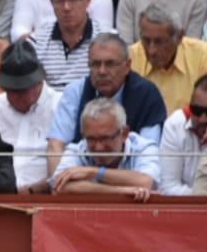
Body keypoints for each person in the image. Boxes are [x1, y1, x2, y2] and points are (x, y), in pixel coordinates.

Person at [45, 31, 166, 173]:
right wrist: (59, 181)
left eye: (110, 64)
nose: (102, 71)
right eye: (96, 64)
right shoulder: (75, 91)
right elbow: (55, 146)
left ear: (127, 66)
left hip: (130, 181)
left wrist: (98, 176)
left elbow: (148, 155)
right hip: (80, 181)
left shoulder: (147, 94)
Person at [0, 39, 63, 188]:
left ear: (39, 82)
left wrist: (34, 191)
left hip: (47, 193)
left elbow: (71, 163)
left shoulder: (61, 106)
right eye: (9, 89)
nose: (14, 96)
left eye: (21, 90)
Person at [51, 96, 162, 196]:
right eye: (91, 139)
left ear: (124, 133)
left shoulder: (144, 147)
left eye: (105, 138)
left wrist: (93, 172)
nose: (98, 147)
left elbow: (146, 182)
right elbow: (59, 186)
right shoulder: (76, 150)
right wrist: (123, 191)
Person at [130, 4, 207, 110]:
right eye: (146, 41)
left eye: (159, 42)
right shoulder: (131, 56)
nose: (151, 51)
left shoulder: (204, 56)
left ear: (179, 37)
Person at [31, 0, 112, 85]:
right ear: (52, 3)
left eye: (73, 0)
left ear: (87, 0)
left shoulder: (109, 40)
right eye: (60, 1)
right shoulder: (36, 41)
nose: (66, 7)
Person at [157, 71, 207, 191]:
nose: (203, 119)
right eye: (196, 110)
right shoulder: (175, 124)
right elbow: (168, 187)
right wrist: (204, 195)